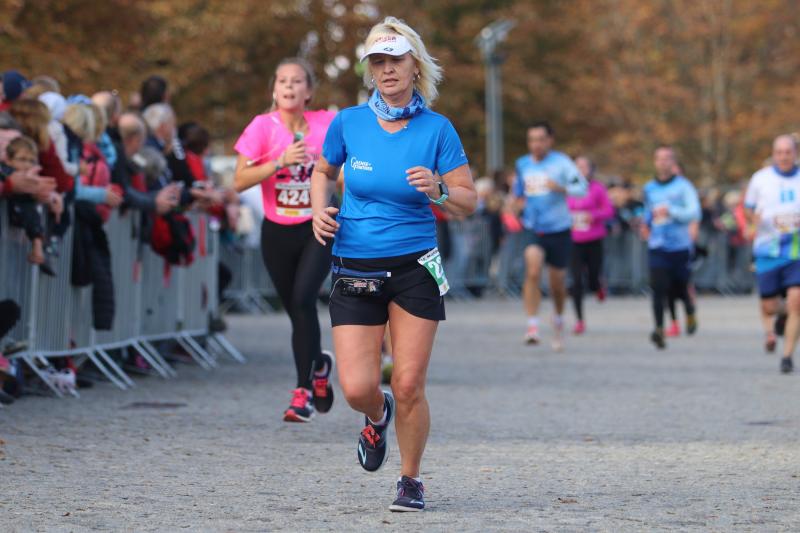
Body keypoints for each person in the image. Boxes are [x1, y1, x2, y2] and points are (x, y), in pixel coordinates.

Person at [311, 17, 476, 511]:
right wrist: (319, 209)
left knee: (408, 383)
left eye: (395, 60)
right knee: (358, 387)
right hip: (355, 265)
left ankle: (410, 479)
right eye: (378, 62)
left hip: (414, 266)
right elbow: (323, 171)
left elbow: (468, 200)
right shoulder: (349, 122)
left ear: (414, 65)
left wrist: (439, 189)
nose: (387, 70)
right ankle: (375, 415)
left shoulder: (437, 129)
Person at [233, 57, 336, 422]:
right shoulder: (262, 127)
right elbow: (239, 180)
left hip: (317, 226)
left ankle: (302, 392)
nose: (289, 86)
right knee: (297, 311)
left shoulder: (327, 124)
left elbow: (347, 169)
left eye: (296, 81)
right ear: (274, 90)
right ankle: (319, 364)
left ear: (309, 91)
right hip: (277, 231)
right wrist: (280, 161)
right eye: (282, 81)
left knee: (304, 298)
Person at [513, 121, 588, 351]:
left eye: (540, 139)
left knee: (557, 283)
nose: (535, 144)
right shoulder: (522, 164)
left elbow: (582, 188)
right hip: (533, 227)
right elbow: (518, 193)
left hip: (559, 229)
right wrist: (515, 205)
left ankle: (558, 318)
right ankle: (532, 326)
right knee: (533, 270)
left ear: (549, 140)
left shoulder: (562, 163)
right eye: (531, 140)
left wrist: (560, 188)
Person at [744, 134, 800, 373]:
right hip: (768, 249)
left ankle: (787, 357)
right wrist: (754, 220)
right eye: (779, 152)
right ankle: (781, 315)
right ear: (774, 154)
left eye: (788, 152)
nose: (784, 156)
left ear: (795, 153)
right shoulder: (761, 179)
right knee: (769, 306)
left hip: (796, 250)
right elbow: (748, 209)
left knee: (797, 301)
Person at [641, 146, 701, 349]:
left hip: (680, 246)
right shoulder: (649, 188)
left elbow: (694, 212)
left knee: (680, 288)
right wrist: (645, 225)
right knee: (658, 288)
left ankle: (690, 310)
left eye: (667, 158)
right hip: (657, 245)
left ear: (673, 162)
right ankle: (659, 329)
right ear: (655, 162)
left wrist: (672, 211)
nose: (663, 162)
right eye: (659, 158)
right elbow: (647, 212)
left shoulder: (684, 186)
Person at [566, 156, 613, 334]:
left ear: (591, 170)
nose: (580, 170)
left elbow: (609, 210)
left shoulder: (597, 188)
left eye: (584, 167)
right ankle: (579, 320)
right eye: (577, 166)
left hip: (594, 239)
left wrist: (592, 216)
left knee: (593, 278)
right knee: (577, 280)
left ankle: (598, 286)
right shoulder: (567, 188)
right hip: (574, 240)